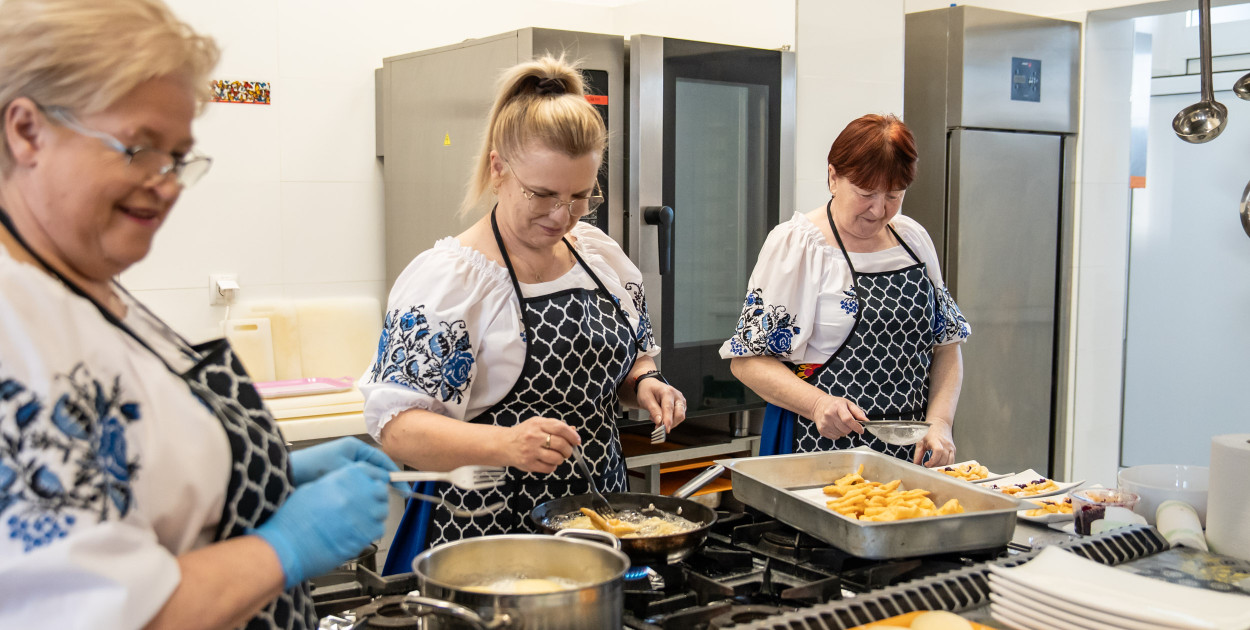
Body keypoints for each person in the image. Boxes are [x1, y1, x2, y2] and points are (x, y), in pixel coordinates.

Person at [0, 1, 398, 627]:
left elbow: (128, 480)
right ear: (27, 132)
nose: (166, 182)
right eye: (138, 149)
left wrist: (259, 477)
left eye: (179, 157)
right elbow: (95, 612)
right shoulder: (14, 325)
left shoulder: (88, 284)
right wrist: (284, 544)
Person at [360, 56, 686, 573]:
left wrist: (644, 383)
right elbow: (397, 428)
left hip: (601, 520)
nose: (563, 215)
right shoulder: (451, 282)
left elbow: (628, 364)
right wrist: (506, 443)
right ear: (498, 170)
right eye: (544, 194)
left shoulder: (599, 258)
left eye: (581, 195)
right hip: (488, 532)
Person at [720, 114, 969, 466]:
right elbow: (749, 362)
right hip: (821, 449)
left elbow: (946, 348)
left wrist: (941, 422)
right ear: (833, 177)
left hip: (912, 455)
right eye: (866, 194)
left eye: (894, 196)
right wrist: (819, 404)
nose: (879, 209)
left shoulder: (912, 239)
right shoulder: (799, 244)